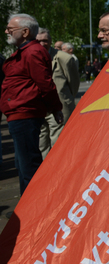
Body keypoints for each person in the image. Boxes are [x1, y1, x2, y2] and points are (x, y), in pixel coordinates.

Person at [1, 14, 62, 194]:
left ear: (25, 32)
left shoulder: (32, 51)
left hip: (25, 114)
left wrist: (56, 108)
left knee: (28, 166)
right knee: (22, 165)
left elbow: (45, 84)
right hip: (19, 114)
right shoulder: (25, 51)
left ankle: (33, 212)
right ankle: (26, 208)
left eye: (10, 29)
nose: (6, 31)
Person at [37, 29, 80, 158]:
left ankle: (58, 171)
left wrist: (67, 99)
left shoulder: (64, 58)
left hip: (60, 105)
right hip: (38, 106)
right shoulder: (31, 56)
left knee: (58, 142)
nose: (42, 43)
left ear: (51, 41)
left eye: (45, 40)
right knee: (41, 142)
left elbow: (74, 83)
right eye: (39, 41)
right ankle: (44, 172)